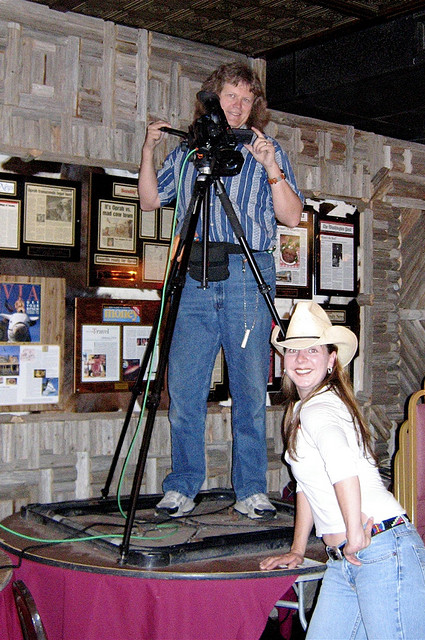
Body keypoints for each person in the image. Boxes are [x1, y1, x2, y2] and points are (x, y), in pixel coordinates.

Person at [138, 62, 304, 519]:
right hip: (193, 274)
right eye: (230, 95)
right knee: (185, 390)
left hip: (248, 273)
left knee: (249, 392)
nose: (237, 104)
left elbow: (291, 217)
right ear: (213, 99)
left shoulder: (268, 149)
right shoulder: (190, 151)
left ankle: (250, 489)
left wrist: (271, 166)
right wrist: (150, 149)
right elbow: (152, 200)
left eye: (245, 98)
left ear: (255, 107)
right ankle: (182, 486)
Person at [260, 301, 425, 639]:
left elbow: (342, 468)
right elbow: (307, 485)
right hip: (346, 561)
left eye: (313, 349)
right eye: (293, 350)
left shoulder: (319, 408)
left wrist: (354, 532)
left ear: (331, 359)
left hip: (381, 549)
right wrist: (298, 550)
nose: (301, 358)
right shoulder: (298, 410)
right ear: (284, 361)